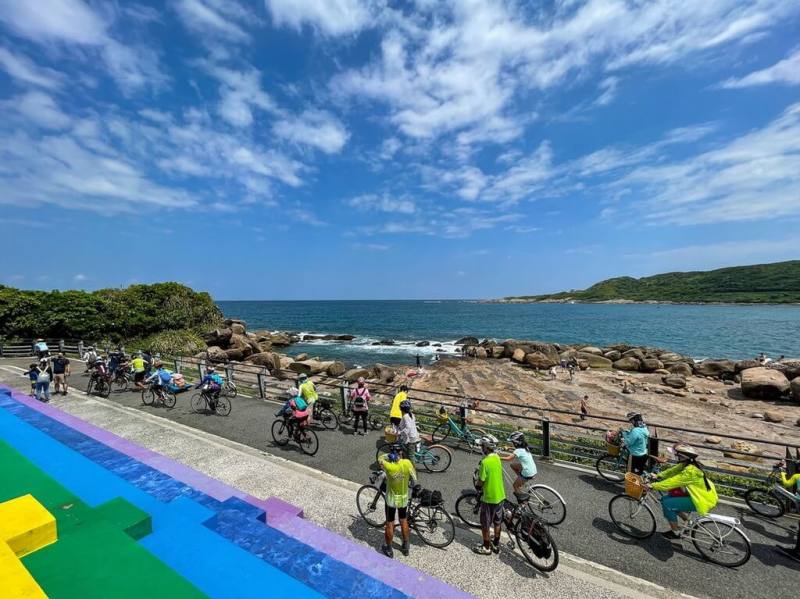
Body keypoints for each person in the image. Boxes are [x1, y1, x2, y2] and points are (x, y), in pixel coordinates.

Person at [648, 444, 718, 539]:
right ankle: (689, 521)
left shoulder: (690, 472)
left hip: (701, 500)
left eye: (677, 455)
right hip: (700, 495)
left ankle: (675, 532)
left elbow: (673, 482)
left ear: (682, 457)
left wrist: (652, 485)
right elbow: (671, 471)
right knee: (666, 498)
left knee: (667, 504)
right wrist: (658, 476)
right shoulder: (687, 464)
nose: (675, 456)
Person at [378, 444, 416, 558]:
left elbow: (380, 459)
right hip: (403, 498)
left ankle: (389, 549)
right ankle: (405, 546)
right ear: (401, 453)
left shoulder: (389, 467)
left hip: (391, 499)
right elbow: (415, 478)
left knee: (390, 522)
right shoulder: (407, 463)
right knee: (403, 520)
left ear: (393, 454)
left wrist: (389, 455)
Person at [473, 435, 505, 555]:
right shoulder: (497, 457)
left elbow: (481, 481)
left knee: (485, 524)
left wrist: (477, 486)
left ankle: (486, 547)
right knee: (497, 522)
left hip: (489, 498)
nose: (481, 447)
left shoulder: (485, 462)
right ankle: (496, 544)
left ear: (486, 447)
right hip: (500, 495)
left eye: (482, 446)